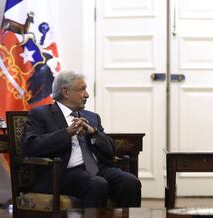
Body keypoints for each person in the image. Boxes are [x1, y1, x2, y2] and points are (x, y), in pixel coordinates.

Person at [21, 70, 141, 208]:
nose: (87, 95)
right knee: (97, 184)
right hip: (63, 173)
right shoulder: (41, 114)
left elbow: (111, 150)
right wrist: (66, 133)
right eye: (82, 89)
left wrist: (93, 132)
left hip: (98, 168)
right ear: (66, 92)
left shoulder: (92, 117)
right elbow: (30, 146)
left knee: (130, 181)